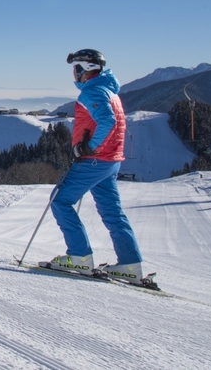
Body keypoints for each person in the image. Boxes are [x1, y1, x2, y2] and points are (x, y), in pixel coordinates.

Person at [45, 49, 145, 284]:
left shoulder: (93, 91)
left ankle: (79, 256)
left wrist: (88, 147)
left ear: (85, 69)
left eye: (75, 69)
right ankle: (130, 264)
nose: (74, 74)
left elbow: (107, 120)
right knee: (112, 213)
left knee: (60, 201)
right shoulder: (110, 91)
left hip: (94, 160)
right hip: (110, 162)